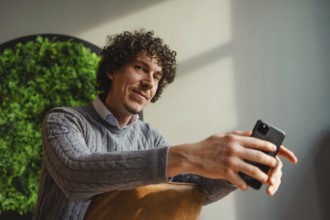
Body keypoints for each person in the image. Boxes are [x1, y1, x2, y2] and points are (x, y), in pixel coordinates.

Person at [33, 29, 298, 220]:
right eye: (140, 67)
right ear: (111, 70)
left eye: (157, 76)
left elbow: (200, 190)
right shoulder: (64, 120)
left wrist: (239, 169)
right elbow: (76, 176)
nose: (149, 82)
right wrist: (186, 155)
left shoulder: (150, 136)